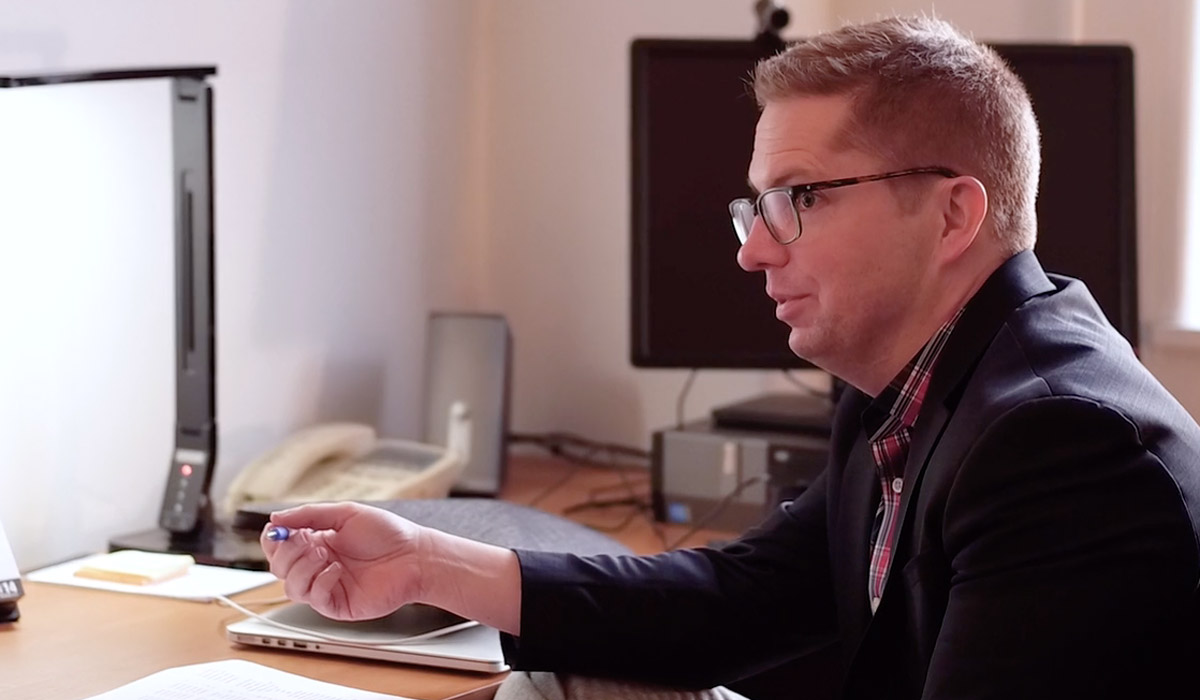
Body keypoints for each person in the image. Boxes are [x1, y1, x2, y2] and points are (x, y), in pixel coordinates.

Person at [262, 15, 1200, 700]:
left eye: (800, 197)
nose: (755, 248)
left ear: (954, 214)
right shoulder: (918, 381)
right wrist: (425, 565)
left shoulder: (1063, 444)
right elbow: (742, 602)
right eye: (757, 205)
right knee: (565, 684)